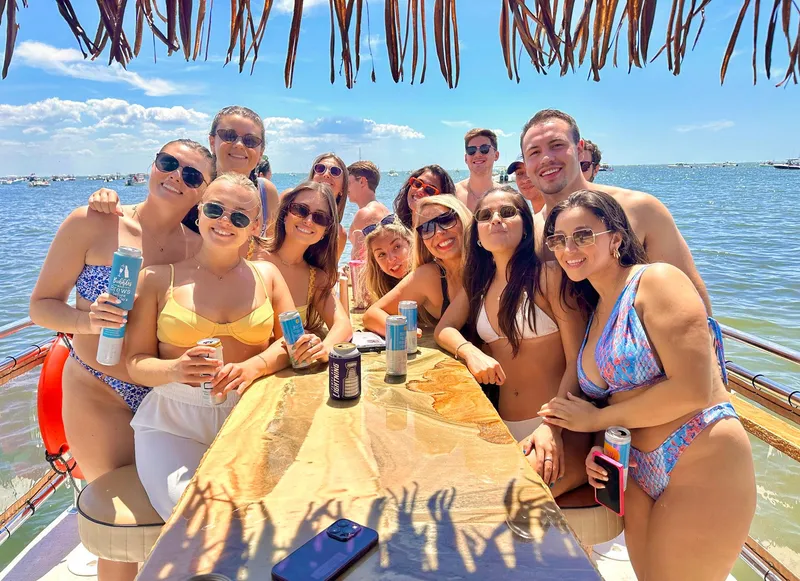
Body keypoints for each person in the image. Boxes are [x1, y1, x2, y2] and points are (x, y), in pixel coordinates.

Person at [538, 190, 755, 579]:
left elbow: (692, 390)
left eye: (583, 235)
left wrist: (589, 421)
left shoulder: (656, 281)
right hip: (634, 470)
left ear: (617, 238)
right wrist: (601, 448)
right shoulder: (597, 309)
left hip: (698, 454)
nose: (569, 247)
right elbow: (611, 400)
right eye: (559, 239)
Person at [29, 139, 213, 581]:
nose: (175, 177)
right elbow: (41, 306)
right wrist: (87, 320)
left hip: (165, 397)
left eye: (191, 175)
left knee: (167, 513)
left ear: (203, 192)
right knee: (121, 523)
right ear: (152, 165)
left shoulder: (195, 246)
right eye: (169, 163)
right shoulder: (93, 222)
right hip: (99, 390)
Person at [125, 172, 296, 521]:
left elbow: (294, 343)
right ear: (199, 212)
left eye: (238, 217)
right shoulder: (157, 278)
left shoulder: (269, 275)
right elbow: (135, 363)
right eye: (215, 209)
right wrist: (174, 369)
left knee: (267, 517)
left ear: (255, 225)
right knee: (193, 520)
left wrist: (255, 366)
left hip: (253, 413)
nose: (224, 222)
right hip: (174, 421)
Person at [434, 188, 588, 493]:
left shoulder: (549, 276)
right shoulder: (479, 283)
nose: (496, 220)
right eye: (485, 215)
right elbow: (444, 329)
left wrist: (552, 427)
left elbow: (578, 362)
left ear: (526, 227)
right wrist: (470, 353)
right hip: (502, 426)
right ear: (477, 233)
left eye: (507, 213)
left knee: (512, 501)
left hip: (556, 428)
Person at [520, 108, 713, 313]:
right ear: (525, 163)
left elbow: (692, 298)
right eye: (534, 152)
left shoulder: (640, 209)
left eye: (557, 145)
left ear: (579, 149)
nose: (546, 158)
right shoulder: (530, 230)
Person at [87, 106, 281, 239]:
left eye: (250, 141)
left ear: (261, 150)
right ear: (212, 141)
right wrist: (107, 199)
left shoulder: (265, 193)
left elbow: (267, 251)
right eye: (229, 136)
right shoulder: (192, 184)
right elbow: (149, 217)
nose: (239, 145)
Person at [251, 182, 353, 362]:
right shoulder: (249, 250)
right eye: (300, 210)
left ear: (325, 232)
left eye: (320, 218)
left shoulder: (316, 277)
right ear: (285, 214)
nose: (308, 221)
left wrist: (324, 349)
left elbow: (343, 325)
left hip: (283, 374)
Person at [363, 195, 471, 334]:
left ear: (463, 218)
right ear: (422, 240)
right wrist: (403, 330)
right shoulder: (429, 276)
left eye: (446, 219)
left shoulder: (493, 263)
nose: (438, 232)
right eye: (427, 228)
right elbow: (371, 315)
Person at [308, 153, 349, 262]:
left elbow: (328, 276)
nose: (326, 174)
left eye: (335, 171)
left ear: (343, 188)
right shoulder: (290, 205)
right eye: (320, 168)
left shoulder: (339, 234)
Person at [363, 215, 413, 302]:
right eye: (382, 254)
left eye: (397, 247)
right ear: (375, 262)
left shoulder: (428, 275)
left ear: (410, 243)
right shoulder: (381, 292)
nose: (390, 259)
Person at [347, 160, 390, 261]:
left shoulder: (365, 213)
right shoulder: (383, 209)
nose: (346, 188)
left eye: (348, 183)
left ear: (362, 181)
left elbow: (358, 260)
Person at [393, 165, 456, 229]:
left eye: (430, 190)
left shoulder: (441, 234)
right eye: (418, 183)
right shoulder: (394, 229)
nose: (420, 191)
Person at [455, 128, 500, 212]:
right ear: (466, 158)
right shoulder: (452, 194)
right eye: (471, 150)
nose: (478, 154)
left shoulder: (506, 196)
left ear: (496, 155)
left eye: (484, 149)